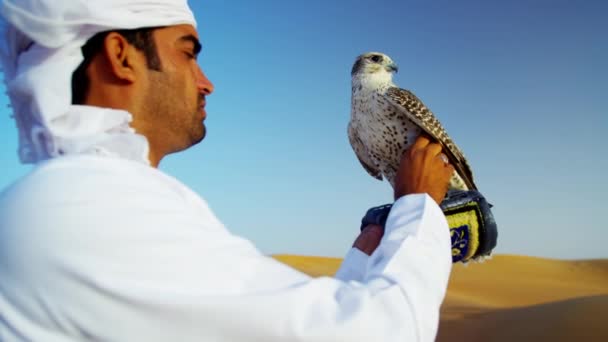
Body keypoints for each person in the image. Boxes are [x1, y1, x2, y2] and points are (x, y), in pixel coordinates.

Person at [0, 1, 455, 341]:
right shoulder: (94, 207)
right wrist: (417, 209)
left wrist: (364, 257)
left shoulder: (88, 195)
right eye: (188, 53)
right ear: (121, 56)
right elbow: (376, 332)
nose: (206, 81)